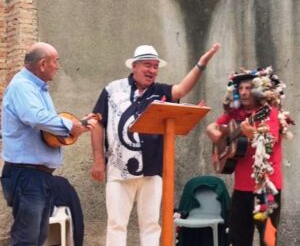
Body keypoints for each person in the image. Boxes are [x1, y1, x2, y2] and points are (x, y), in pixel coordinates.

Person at [90, 42, 221, 246]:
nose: (152, 70)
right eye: (147, 65)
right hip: (118, 169)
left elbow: (182, 89)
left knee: (151, 225)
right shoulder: (112, 89)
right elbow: (97, 123)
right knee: (116, 224)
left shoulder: (160, 91)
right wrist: (98, 160)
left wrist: (201, 64)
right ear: (134, 66)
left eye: (155, 66)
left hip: (152, 170)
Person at [0, 42, 96, 246]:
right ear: (43, 64)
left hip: (36, 176)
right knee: (27, 239)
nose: (58, 66)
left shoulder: (36, 88)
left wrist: (78, 125)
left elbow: (48, 130)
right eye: (56, 61)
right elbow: (37, 118)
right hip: (27, 176)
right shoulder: (22, 87)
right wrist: (71, 126)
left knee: (37, 238)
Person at [206, 67, 294, 246]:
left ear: (257, 91)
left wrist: (251, 133)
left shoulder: (269, 113)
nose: (244, 92)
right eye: (240, 89)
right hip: (241, 188)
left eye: (248, 88)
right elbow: (214, 127)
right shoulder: (234, 115)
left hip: (266, 189)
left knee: (267, 240)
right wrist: (214, 135)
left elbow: (268, 144)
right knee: (237, 239)